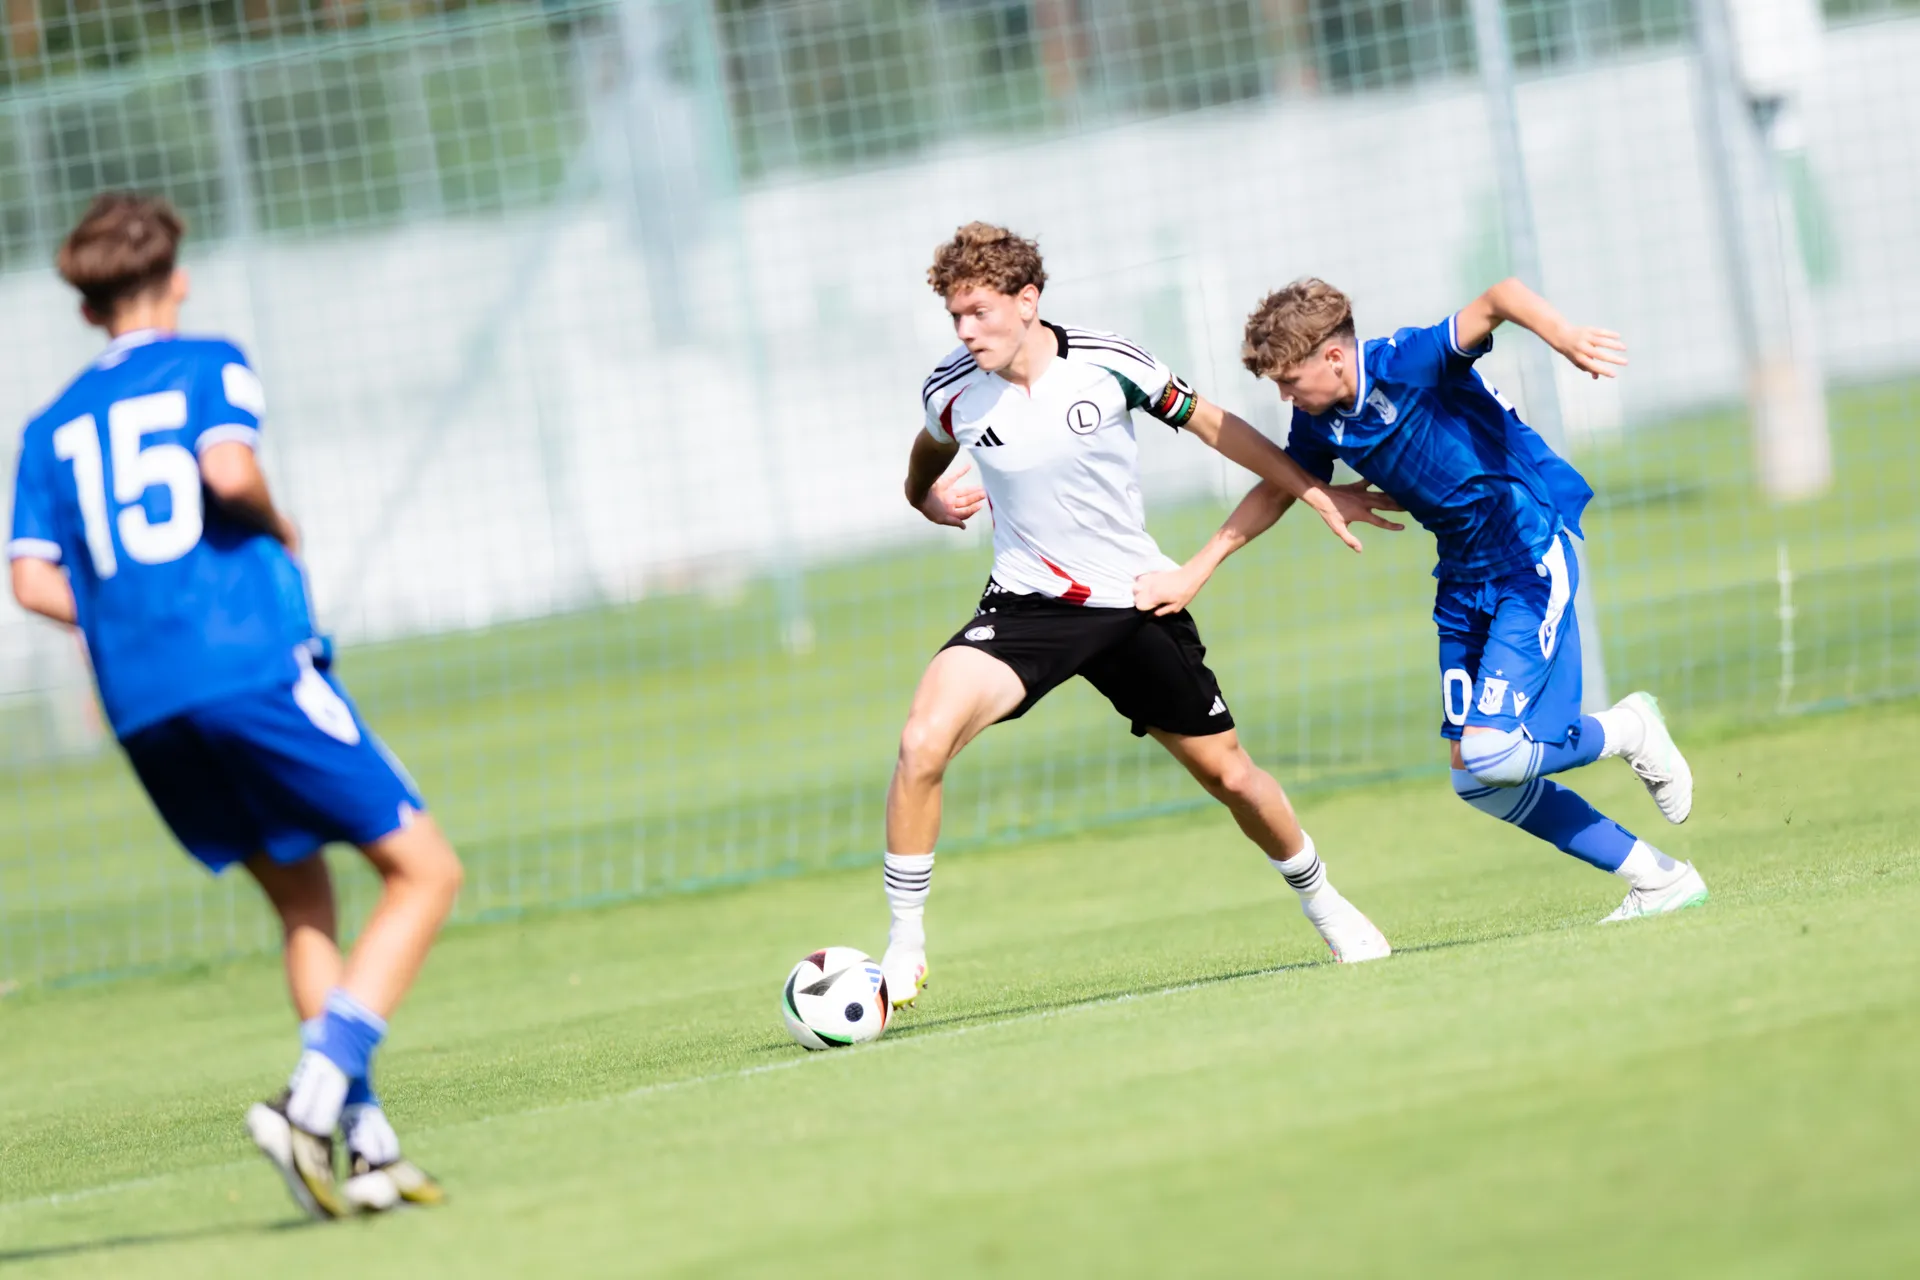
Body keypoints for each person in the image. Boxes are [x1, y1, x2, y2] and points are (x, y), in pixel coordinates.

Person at [7, 192, 463, 1218]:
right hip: (249, 668)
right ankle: (306, 1103)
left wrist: (131, 617)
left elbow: (31, 581)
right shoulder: (209, 362)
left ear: (85, 311)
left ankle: (369, 1144)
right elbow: (225, 466)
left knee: (303, 899)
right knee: (426, 870)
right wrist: (277, 520)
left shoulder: (46, 427)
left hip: (142, 702)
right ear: (177, 277)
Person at [880, 224, 1406, 1006]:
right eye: (954, 316)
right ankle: (903, 949)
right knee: (922, 741)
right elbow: (928, 451)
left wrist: (1315, 490)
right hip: (1027, 608)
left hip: (1134, 601)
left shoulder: (1108, 362)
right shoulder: (951, 388)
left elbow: (1219, 428)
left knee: (1232, 777)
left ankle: (1325, 903)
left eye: (979, 312)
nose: (964, 330)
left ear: (1028, 302)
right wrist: (924, 499)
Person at [1136, 276, 1705, 924]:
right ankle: (1658, 880)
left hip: (1527, 558)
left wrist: (1566, 337)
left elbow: (1502, 297)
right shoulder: (1319, 422)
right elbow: (1278, 487)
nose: (1285, 396)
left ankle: (1629, 729)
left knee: (1494, 752)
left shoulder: (1409, 360)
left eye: (1289, 381)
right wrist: (1194, 571)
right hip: (1464, 581)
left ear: (1332, 356)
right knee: (1477, 779)